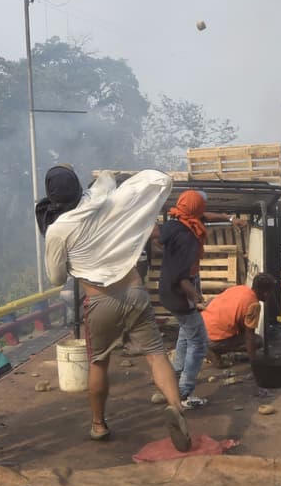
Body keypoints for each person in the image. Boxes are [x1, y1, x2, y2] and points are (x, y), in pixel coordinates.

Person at [38, 164, 190, 451]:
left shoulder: (58, 230)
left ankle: (98, 424)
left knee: (99, 363)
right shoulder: (101, 198)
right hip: (134, 290)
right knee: (156, 355)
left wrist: (73, 260)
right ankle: (176, 408)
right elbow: (115, 181)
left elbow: (56, 278)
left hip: (99, 301)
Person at [159, 189, 212, 409]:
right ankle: (182, 393)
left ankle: (174, 379)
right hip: (180, 295)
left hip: (168, 292)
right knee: (199, 343)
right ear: (196, 208)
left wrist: (230, 219)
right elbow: (182, 277)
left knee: (185, 336)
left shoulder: (174, 224)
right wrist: (197, 298)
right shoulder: (188, 236)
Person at [204, 273, 275, 363]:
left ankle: (209, 346)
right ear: (265, 293)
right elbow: (249, 337)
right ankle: (213, 350)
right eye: (270, 292)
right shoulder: (254, 305)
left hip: (201, 328)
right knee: (257, 341)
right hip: (212, 338)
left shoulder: (241, 289)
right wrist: (254, 362)